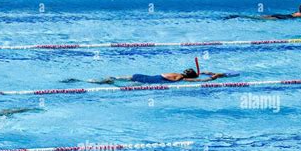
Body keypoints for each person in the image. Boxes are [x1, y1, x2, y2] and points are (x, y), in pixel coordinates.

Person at [62, 68, 227, 85]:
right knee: (111, 85)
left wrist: (207, 72)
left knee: (114, 78)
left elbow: (195, 75)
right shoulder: (181, 79)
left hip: (139, 75)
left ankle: (82, 80)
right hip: (146, 81)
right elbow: (198, 80)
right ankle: (100, 82)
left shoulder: (176, 73)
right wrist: (212, 78)